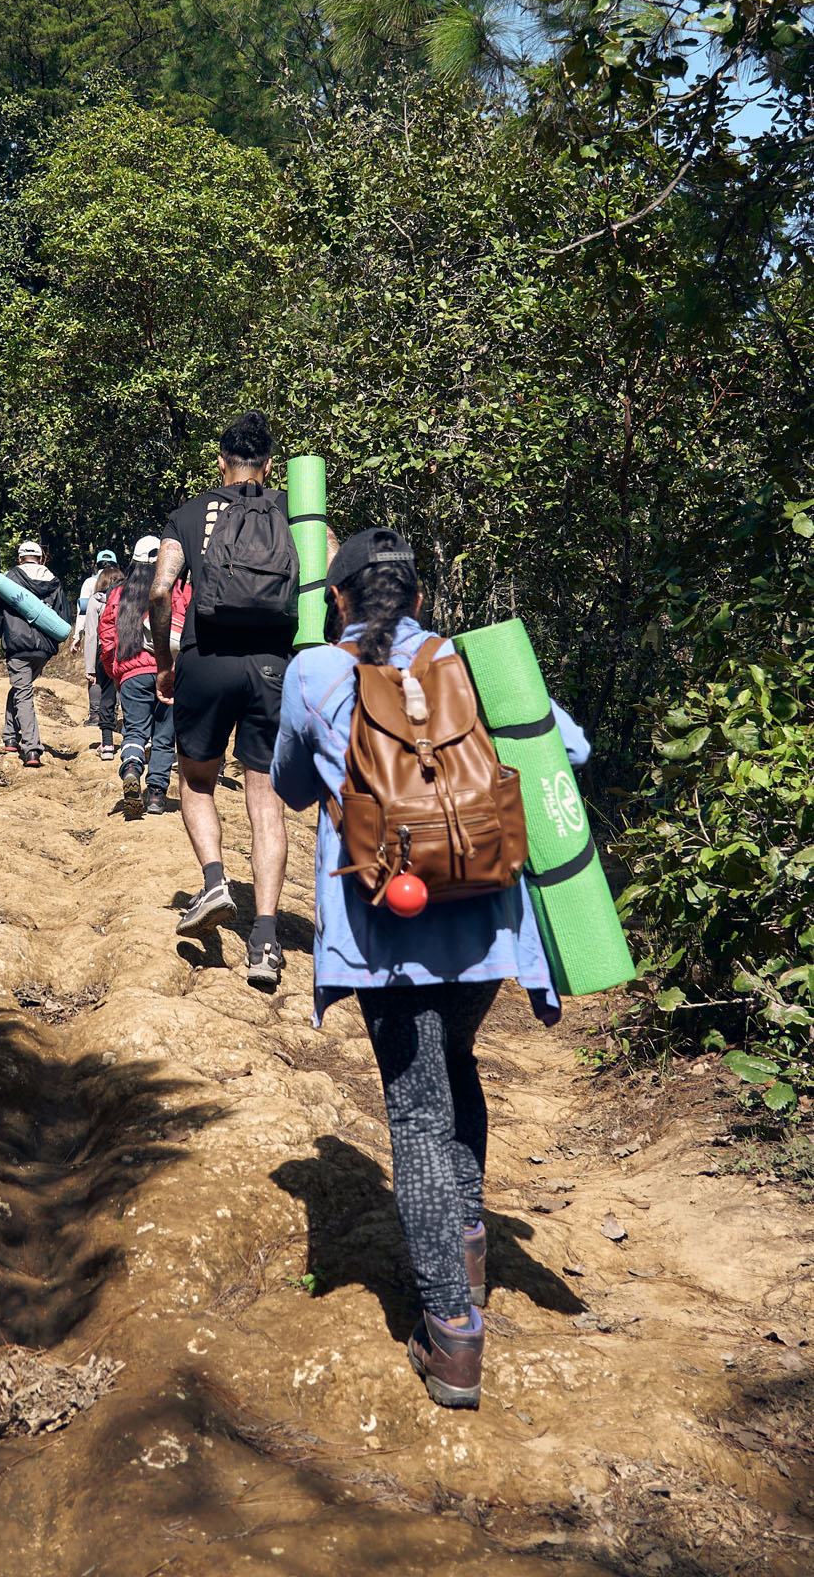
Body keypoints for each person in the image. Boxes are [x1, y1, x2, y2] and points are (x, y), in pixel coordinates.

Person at [269, 526, 590, 1414]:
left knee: (415, 1113)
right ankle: (470, 1245)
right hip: (485, 925)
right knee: (454, 1066)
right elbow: (572, 751)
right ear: (417, 595)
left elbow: (292, 787)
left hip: (384, 932)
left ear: (337, 598)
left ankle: (450, 1332)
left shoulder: (312, 673)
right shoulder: (474, 663)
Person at [149, 410, 299, 989]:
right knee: (265, 799)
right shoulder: (294, 509)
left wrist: (165, 662)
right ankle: (264, 939)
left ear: (220, 462)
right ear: (270, 463)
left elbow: (161, 593)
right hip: (273, 669)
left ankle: (213, 880)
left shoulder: (189, 513)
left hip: (205, 663)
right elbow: (334, 575)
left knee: (196, 783)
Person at [98, 536, 188, 818]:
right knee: (164, 738)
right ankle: (157, 797)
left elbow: (107, 636)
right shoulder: (177, 590)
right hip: (171, 672)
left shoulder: (119, 592)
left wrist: (115, 672)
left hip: (131, 673)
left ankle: (132, 768)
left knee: (134, 730)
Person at [0, 538, 70, 768]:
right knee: (20, 688)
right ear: (40, 557)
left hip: (18, 645)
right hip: (44, 649)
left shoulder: (9, 579)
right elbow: (64, 617)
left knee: (23, 693)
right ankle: (10, 736)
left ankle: (32, 747)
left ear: (20, 557)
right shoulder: (54, 581)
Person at [72, 548, 119, 720]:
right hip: (120, 641)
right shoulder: (124, 584)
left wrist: (77, 635)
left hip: (99, 639)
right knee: (119, 675)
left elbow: (82, 613)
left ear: (96, 565)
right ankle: (113, 714)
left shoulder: (89, 584)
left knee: (95, 676)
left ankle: (95, 714)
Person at [83, 560, 123, 759]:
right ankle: (138, 741)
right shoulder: (129, 597)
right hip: (129, 652)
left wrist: (90, 667)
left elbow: (91, 635)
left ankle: (107, 744)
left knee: (107, 694)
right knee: (131, 695)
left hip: (105, 653)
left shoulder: (96, 600)